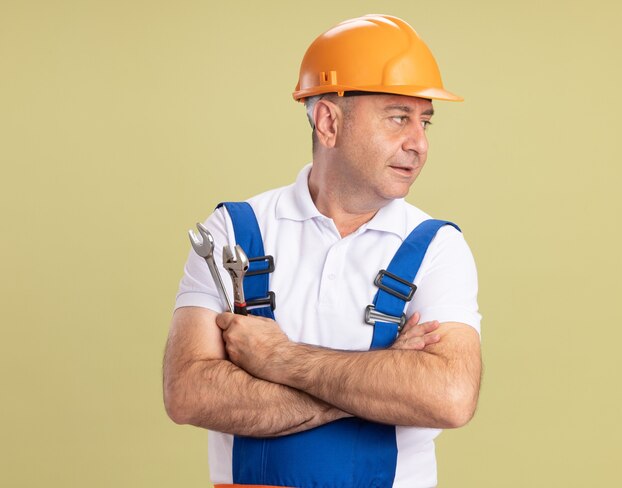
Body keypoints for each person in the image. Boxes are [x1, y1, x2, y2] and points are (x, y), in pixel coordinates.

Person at [163, 14, 482, 488]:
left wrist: (280, 360)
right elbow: (189, 393)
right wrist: (378, 383)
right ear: (328, 120)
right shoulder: (233, 230)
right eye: (398, 117)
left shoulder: (439, 247)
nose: (418, 144)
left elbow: (449, 396)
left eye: (425, 121)